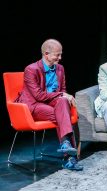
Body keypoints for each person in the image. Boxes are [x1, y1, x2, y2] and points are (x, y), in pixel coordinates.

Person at [16, 39, 83, 171]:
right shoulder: (31, 69)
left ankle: (65, 145)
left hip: (52, 102)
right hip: (34, 105)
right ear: (46, 54)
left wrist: (64, 96)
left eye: (61, 54)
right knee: (63, 115)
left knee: (63, 102)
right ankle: (69, 158)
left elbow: (62, 91)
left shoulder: (60, 69)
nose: (60, 58)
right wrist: (63, 95)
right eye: (57, 55)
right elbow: (39, 96)